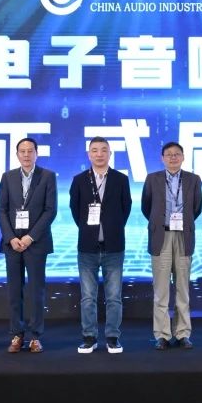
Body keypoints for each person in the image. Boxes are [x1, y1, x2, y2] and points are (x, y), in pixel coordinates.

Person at [69, 136, 132, 354]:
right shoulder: (79, 180)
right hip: (87, 246)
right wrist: (90, 230)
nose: (99, 154)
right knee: (88, 297)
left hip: (114, 246)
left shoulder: (120, 179)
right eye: (94, 150)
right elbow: (75, 209)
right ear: (89, 154)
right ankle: (89, 337)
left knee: (114, 297)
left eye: (104, 150)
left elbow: (126, 208)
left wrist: (113, 227)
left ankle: (113, 337)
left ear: (110, 153)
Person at [140, 141, 202, 350]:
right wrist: (160, 223)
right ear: (162, 158)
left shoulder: (194, 179)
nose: (173, 157)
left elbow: (196, 208)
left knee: (183, 288)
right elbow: (147, 207)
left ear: (183, 157)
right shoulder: (152, 179)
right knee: (161, 289)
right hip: (161, 236)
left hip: (184, 236)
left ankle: (182, 333)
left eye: (177, 154)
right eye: (169, 154)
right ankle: (162, 335)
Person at [0, 137, 57, 354]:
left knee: (36, 291)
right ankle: (16, 334)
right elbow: (2, 210)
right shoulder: (8, 177)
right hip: (12, 243)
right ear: (17, 154)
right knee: (14, 291)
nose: (26, 154)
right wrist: (11, 237)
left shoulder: (47, 176)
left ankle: (35, 336)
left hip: (36, 243)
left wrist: (30, 237)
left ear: (36, 153)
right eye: (22, 151)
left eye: (30, 151)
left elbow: (50, 211)